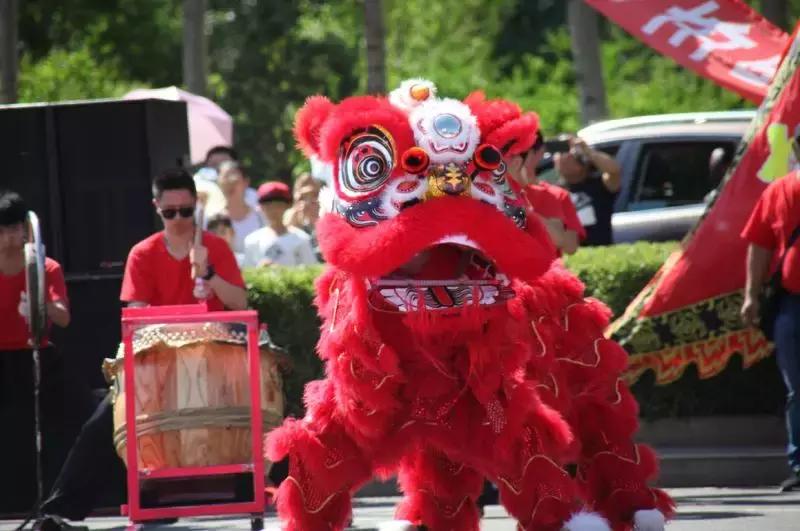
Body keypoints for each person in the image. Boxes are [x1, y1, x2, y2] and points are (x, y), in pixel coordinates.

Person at [36, 169, 248, 529]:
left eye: (185, 211)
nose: (179, 220)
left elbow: (241, 302)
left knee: (268, 406)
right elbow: (135, 316)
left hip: (212, 360)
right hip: (156, 361)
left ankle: (307, 498)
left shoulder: (216, 248)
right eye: (170, 213)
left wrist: (209, 275)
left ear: (195, 207)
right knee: (104, 420)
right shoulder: (143, 254)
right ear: (157, 209)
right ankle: (59, 512)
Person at [0, 190, 71, 517]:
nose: (9, 237)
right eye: (2, 230)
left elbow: (64, 317)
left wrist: (39, 295)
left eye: (15, 229)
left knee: (79, 417)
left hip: (37, 355)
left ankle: (59, 502)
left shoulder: (45, 266)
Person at [741, 169, 800, 492]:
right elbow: (760, 244)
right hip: (792, 303)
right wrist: (751, 296)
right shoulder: (779, 191)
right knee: (797, 388)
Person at [507, 131, 585, 255]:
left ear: (537, 154)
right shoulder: (487, 193)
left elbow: (568, 245)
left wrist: (523, 205)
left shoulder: (553, 195)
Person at [555, 136, 621, 246]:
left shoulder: (600, 185)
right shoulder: (552, 191)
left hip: (599, 252)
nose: (562, 158)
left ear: (583, 162)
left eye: (568, 156)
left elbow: (614, 170)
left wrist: (587, 151)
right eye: (559, 154)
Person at [243, 182, 318, 268]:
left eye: (278, 206)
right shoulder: (252, 240)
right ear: (261, 207)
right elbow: (247, 273)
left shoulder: (301, 239)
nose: (273, 211)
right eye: (268, 206)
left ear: (287, 206)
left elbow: (311, 270)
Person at [217, 161, 265, 260]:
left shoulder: (261, 216)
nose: (229, 182)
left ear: (246, 182)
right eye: (225, 177)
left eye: (234, 178)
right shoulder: (212, 219)